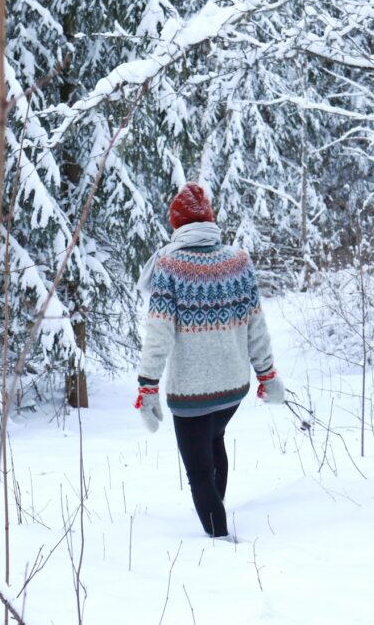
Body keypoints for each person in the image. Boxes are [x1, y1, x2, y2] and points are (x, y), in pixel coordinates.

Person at [135, 182, 285, 538]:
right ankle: (217, 514)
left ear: (177, 225)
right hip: (233, 388)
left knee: (199, 472)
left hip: (191, 393)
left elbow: (159, 333)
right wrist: (267, 375)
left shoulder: (169, 265)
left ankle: (220, 542)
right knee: (214, 440)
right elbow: (256, 326)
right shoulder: (239, 261)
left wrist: (147, 386)